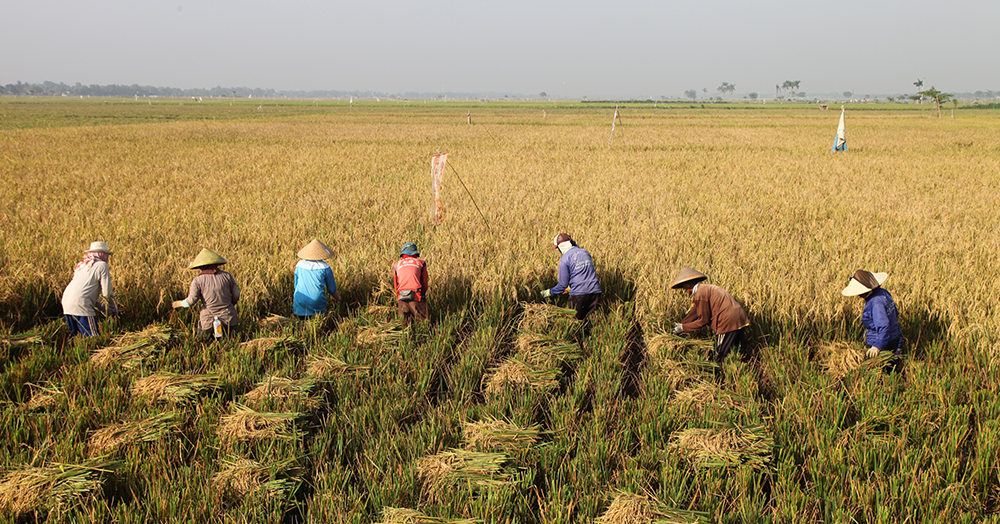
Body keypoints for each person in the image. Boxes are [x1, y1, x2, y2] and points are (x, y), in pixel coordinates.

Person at [670, 266, 749, 363]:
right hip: (740, 318)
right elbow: (696, 311)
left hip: (727, 321)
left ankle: (720, 371)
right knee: (737, 350)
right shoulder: (706, 288)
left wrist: (683, 328)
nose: (684, 289)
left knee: (720, 353)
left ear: (689, 284)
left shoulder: (700, 293)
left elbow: (703, 320)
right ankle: (739, 368)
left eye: (684, 286)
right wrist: (682, 324)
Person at [172, 248, 240, 338]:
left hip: (208, 320)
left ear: (200, 267)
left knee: (202, 341)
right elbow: (236, 294)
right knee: (229, 341)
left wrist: (179, 303)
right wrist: (231, 304)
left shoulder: (198, 280)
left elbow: (191, 300)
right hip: (229, 318)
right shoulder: (227, 276)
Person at [540, 233, 602, 324]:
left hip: (579, 295)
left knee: (576, 323)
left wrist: (546, 293)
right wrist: (569, 288)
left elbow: (562, 285)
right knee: (591, 322)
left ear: (560, 247)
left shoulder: (565, 258)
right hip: (595, 292)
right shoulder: (585, 252)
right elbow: (584, 277)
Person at [842, 270, 902, 362]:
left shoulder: (875, 302)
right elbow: (895, 313)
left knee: (880, 368)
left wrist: (877, 346)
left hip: (882, 343)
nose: (859, 295)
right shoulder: (884, 293)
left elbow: (884, 325)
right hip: (894, 336)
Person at [61, 241, 118, 337]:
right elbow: (107, 293)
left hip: (66, 302)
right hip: (82, 304)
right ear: (102, 254)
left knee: (75, 337)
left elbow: (84, 293)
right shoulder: (102, 265)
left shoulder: (82, 265)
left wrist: (103, 309)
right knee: (93, 337)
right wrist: (113, 308)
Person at [293, 239, 341, 319]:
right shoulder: (325, 267)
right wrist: (339, 299)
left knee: (301, 322)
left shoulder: (299, 265)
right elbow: (332, 290)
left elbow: (296, 285)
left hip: (300, 299)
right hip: (316, 300)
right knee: (316, 320)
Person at [392, 242, 430, 327]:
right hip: (417, 295)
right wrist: (421, 297)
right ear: (415, 254)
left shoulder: (396, 265)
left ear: (403, 254)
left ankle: (407, 335)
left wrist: (399, 298)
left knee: (405, 327)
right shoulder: (421, 263)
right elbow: (425, 284)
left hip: (402, 298)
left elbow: (396, 285)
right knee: (427, 323)